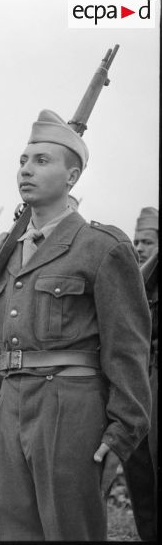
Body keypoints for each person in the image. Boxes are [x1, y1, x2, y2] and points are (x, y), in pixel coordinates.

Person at [0, 109, 152, 541]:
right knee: (17, 528)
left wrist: (124, 429)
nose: (26, 169)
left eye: (42, 160)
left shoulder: (102, 246)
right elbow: (0, 334)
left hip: (71, 403)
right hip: (12, 400)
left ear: (72, 176)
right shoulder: (10, 253)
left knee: (69, 528)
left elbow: (129, 346)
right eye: (23, 160)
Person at [123, 207, 159, 541]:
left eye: (148, 241)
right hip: (139, 385)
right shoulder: (136, 284)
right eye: (136, 241)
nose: (140, 247)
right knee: (139, 471)